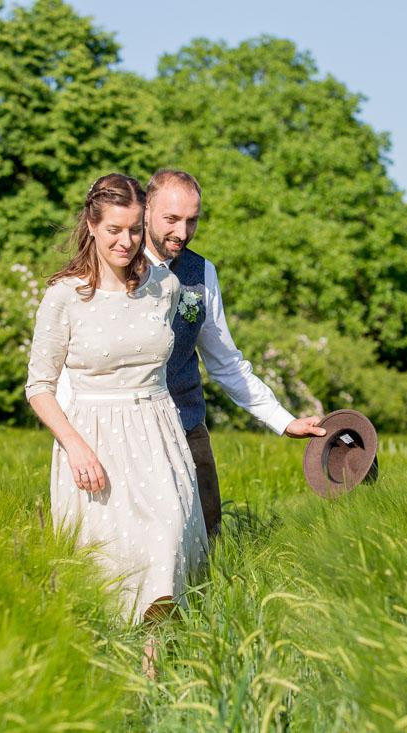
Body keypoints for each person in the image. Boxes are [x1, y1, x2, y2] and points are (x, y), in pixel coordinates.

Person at [25, 173, 208, 632]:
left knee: (167, 537)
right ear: (91, 224)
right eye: (114, 230)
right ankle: (109, 659)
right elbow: (39, 387)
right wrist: (75, 446)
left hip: (158, 433)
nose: (125, 242)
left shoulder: (165, 288)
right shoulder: (63, 297)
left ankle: (156, 661)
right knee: (109, 559)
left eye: (132, 230)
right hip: (94, 437)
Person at [140, 169, 326, 539]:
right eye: (171, 219)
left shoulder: (201, 272)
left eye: (192, 221)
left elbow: (225, 363)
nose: (182, 232)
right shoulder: (117, 264)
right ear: (146, 210)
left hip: (186, 423)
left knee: (208, 535)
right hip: (131, 428)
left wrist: (283, 420)